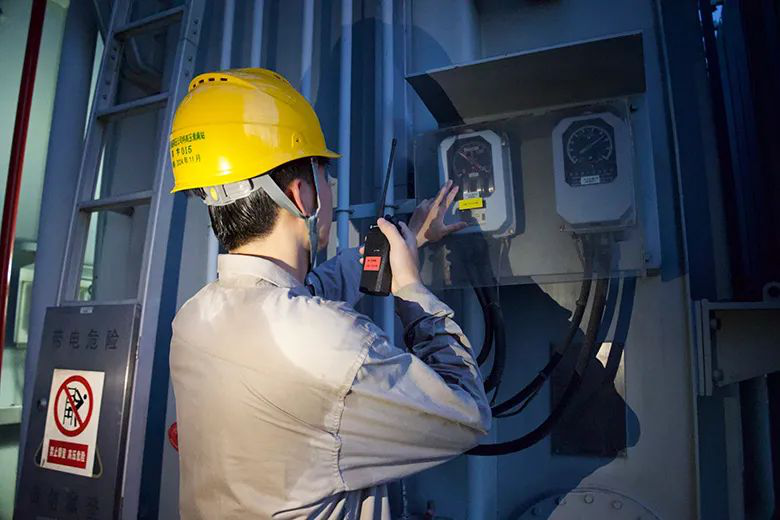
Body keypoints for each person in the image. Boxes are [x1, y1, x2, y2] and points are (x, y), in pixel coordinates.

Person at [168, 68, 491, 519]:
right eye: (325, 172)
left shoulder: (193, 319)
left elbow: (308, 292)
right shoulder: (337, 346)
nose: (331, 187)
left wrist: (411, 238)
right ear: (301, 194)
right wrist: (411, 290)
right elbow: (466, 415)